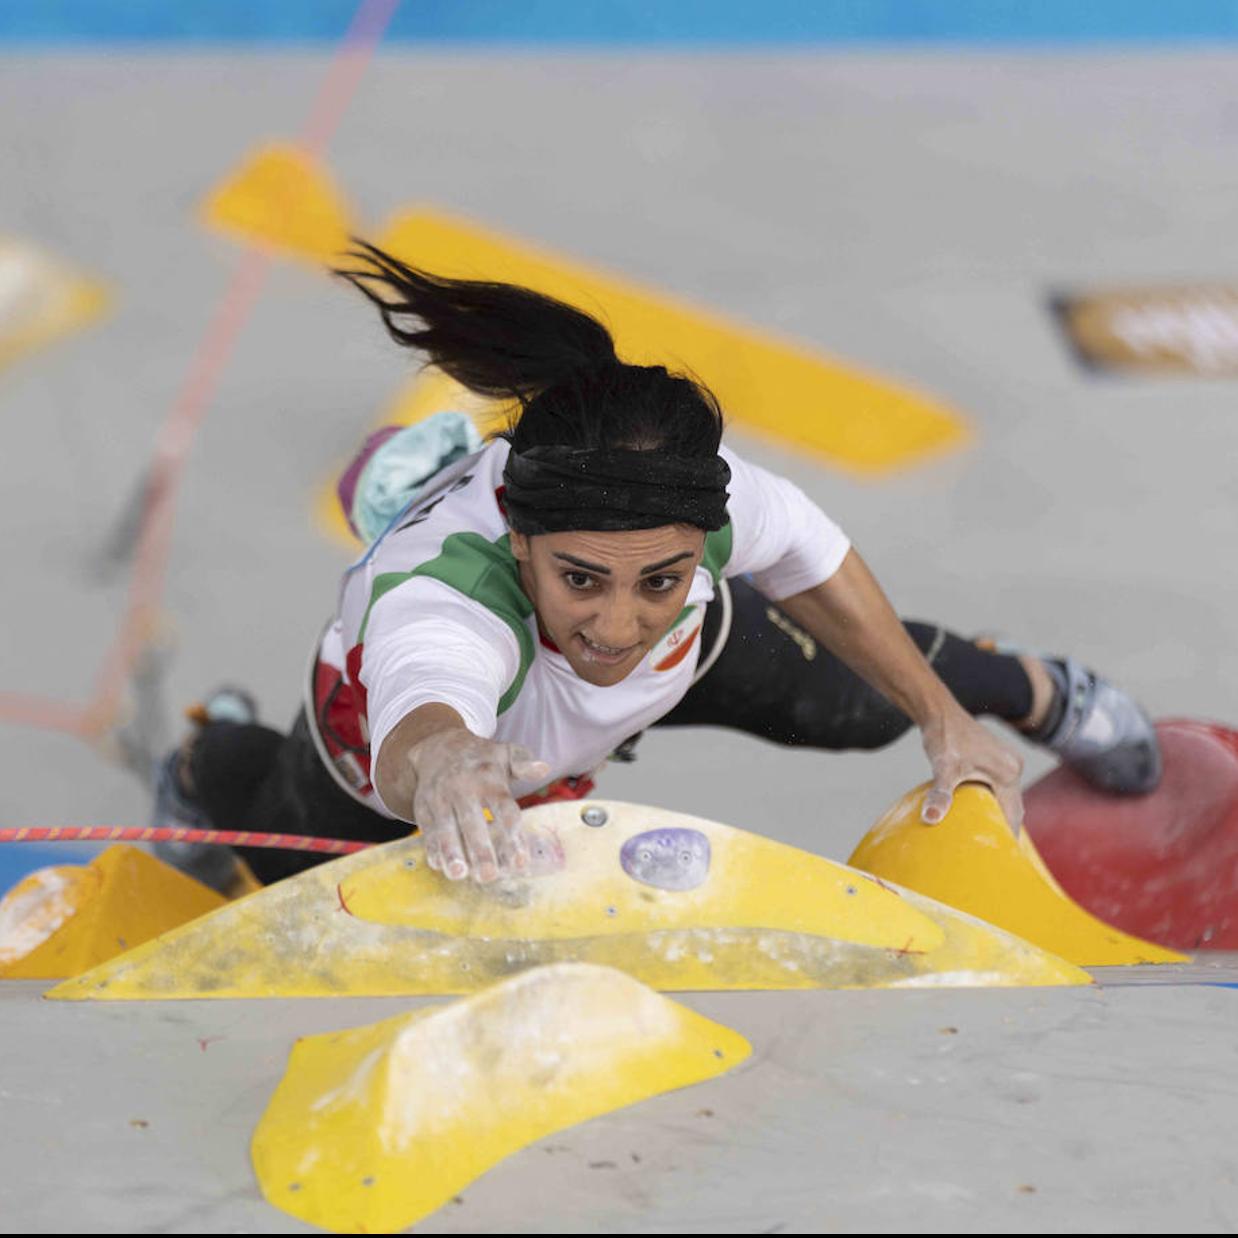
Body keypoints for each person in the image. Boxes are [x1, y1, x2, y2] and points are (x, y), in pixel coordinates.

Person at [152, 242, 1161, 891]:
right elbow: (423, 701)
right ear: (519, 541)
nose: (620, 625)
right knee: (287, 853)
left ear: (697, 549)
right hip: (384, 759)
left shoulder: (690, 498)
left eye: (661, 580)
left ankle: (1040, 690)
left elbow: (814, 558)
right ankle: (206, 756)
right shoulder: (442, 601)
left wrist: (944, 721)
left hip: (612, 687)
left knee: (852, 703)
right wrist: (442, 762)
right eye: (580, 577)